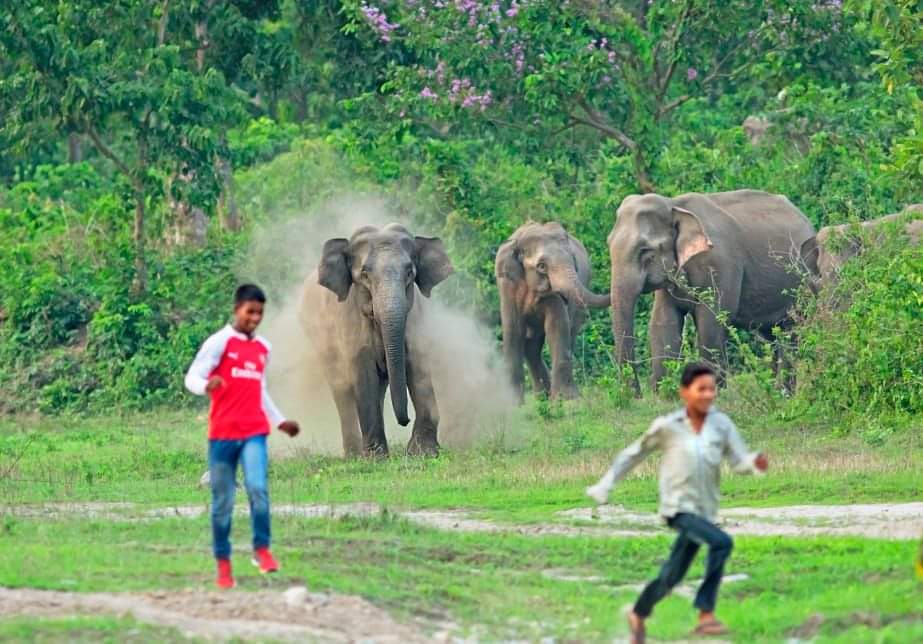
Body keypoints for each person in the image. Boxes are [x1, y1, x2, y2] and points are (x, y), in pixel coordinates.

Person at [586, 362, 768, 643]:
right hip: (678, 509)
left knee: (671, 577)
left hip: (705, 511)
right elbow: (633, 454)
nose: (708, 394)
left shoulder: (722, 425)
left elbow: (738, 462)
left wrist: (753, 462)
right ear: (685, 392)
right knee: (722, 543)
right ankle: (705, 614)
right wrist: (605, 484)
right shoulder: (668, 427)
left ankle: (638, 613)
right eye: (701, 389)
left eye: (712, 388)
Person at [185, 283, 300, 589]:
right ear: (237, 309)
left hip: (254, 432)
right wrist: (205, 386)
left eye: (260, 313)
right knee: (223, 502)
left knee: (258, 489)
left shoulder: (264, 348)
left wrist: (280, 421)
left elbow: (260, 391)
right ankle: (223, 565)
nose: (255, 318)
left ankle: (261, 550)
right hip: (222, 434)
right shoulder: (219, 343)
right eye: (250, 312)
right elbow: (192, 377)